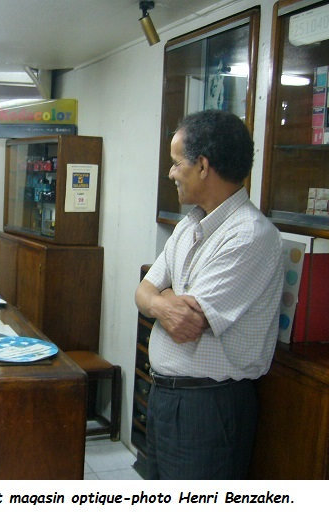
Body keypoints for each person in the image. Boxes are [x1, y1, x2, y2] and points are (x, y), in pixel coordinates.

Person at [134, 110, 283, 479]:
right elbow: (143, 290)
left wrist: (162, 296)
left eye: (176, 163)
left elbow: (187, 323)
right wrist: (161, 301)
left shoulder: (249, 235)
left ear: (202, 166)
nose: (171, 173)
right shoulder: (189, 225)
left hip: (208, 407)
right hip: (167, 395)